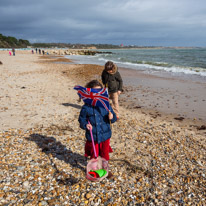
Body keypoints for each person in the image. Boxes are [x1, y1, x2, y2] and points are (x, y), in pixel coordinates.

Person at [78, 80, 117, 162]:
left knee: (104, 154)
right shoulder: (86, 107)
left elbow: (114, 119)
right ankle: (94, 169)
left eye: (99, 91)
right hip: (93, 136)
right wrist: (85, 125)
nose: (97, 94)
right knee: (94, 154)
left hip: (105, 135)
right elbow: (81, 120)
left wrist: (112, 117)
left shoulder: (106, 105)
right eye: (94, 92)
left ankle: (105, 169)